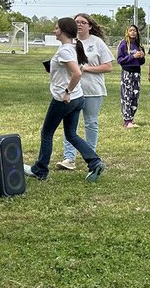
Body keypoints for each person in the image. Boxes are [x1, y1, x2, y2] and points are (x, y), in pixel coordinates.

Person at [24, 17, 106, 182]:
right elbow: (70, 70)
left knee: (46, 133)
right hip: (78, 98)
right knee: (70, 134)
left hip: (65, 99)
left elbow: (77, 73)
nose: (54, 31)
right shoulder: (72, 47)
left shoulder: (65, 50)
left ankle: (40, 169)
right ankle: (95, 162)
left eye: (56, 28)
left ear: (63, 31)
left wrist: (67, 91)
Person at [57, 13, 114, 170]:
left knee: (90, 122)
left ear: (90, 26)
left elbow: (108, 66)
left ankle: (91, 156)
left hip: (93, 90)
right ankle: (69, 158)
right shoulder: (68, 43)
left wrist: (87, 68)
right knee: (70, 125)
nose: (80, 24)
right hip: (73, 91)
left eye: (83, 22)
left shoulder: (97, 43)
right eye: (77, 22)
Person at [117, 24, 145, 127]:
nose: (133, 32)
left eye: (134, 30)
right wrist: (132, 56)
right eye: (131, 30)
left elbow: (142, 62)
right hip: (127, 72)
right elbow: (120, 60)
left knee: (135, 95)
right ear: (127, 32)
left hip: (136, 72)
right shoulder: (123, 44)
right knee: (126, 95)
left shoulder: (139, 45)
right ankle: (126, 119)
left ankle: (131, 118)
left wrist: (141, 57)